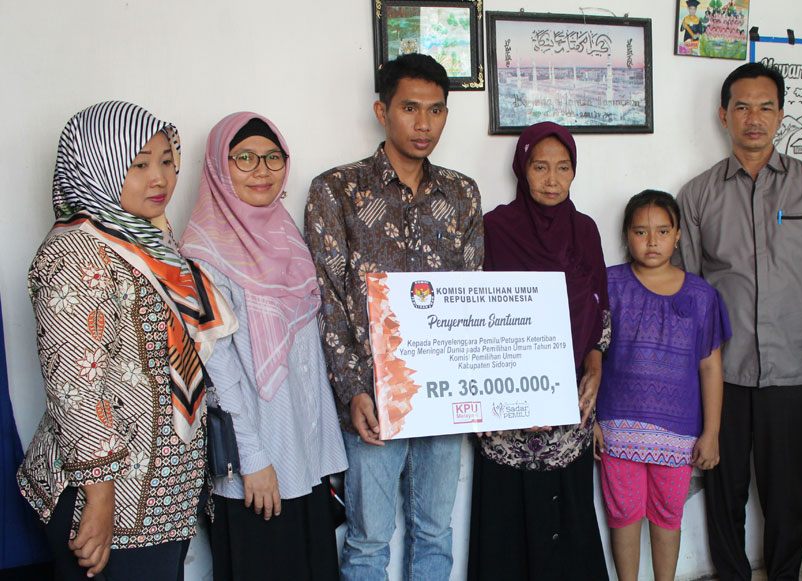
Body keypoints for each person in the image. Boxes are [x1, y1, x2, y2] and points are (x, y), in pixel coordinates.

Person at [17, 101, 235, 580]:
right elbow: (75, 385)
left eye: (166, 161)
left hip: (160, 492)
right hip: (109, 501)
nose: (159, 178)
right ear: (98, 166)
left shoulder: (148, 240)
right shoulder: (77, 252)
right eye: (138, 165)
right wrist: (99, 499)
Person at [304, 53, 483, 580]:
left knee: (435, 532)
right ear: (382, 111)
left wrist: (473, 387)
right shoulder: (337, 190)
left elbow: (471, 297)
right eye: (410, 108)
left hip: (443, 396)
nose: (424, 124)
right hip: (373, 398)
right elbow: (326, 299)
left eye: (436, 110)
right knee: (367, 541)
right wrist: (353, 391)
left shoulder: (462, 194)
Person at [675, 62, 802, 579]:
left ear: (780, 115)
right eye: (742, 107)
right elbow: (690, 292)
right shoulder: (698, 195)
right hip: (723, 375)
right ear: (724, 115)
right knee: (722, 491)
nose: (754, 118)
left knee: (790, 496)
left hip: (796, 372)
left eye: (765, 107)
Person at [179, 112, 349, 580]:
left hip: (304, 457)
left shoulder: (286, 236)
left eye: (274, 157)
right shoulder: (203, 254)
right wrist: (252, 459)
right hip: (256, 467)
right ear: (219, 167)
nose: (262, 170)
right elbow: (217, 371)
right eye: (245, 158)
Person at [467, 121, 609, 581]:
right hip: (506, 408)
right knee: (506, 525)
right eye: (540, 167)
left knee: (567, 521)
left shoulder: (584, 230)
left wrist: (595, 367)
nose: (552, 179)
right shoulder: (494, 228)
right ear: (521, 169)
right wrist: (512, 398)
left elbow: (599, 311)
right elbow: (473, 315)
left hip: (568, 405)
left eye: (563, 167)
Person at [595, 190, 730, 581]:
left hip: (678, 433)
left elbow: (710, 367)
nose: (651, 241)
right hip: (618, 428)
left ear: (678, 235)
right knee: (623, 515)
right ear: (626, 235)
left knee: (668, 516)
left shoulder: (701, 296)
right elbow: (591, 355)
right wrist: (593, 421)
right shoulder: (610, 285)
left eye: (662, 231)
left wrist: (711, 433)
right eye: (641, 231)